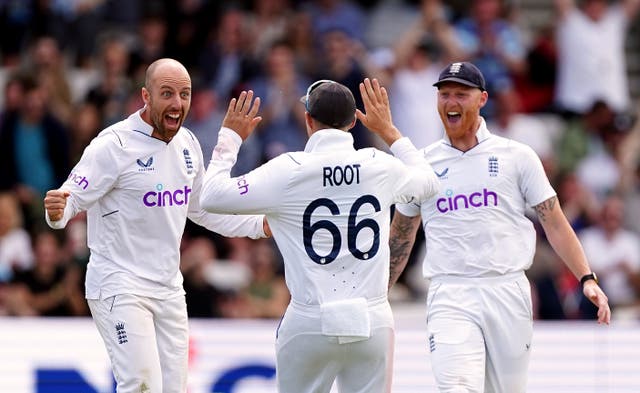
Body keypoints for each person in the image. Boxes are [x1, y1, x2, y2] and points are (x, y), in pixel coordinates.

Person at [199, 78, 440, 392]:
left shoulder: (287, 170)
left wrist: (230, 138)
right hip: (372, 318)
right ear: (353, 122)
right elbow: (430, 183)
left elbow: (211, 197)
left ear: (308, 120)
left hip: (309, 321)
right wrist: (389, 131)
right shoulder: (379, 164)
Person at [43, 58, 268, 393]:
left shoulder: (188, 144)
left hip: (168, 289)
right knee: (141, 385)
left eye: (185, 94)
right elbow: (69, 200)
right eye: (167, 93)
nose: (178, 103)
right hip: (119, 284)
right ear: (146, 96)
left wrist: (261, 225)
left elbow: (204, 210)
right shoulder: (114, 145)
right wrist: (55, 212)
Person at [387, 61, 611, 392]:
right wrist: (377, 294)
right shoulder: (423, 164)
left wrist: (586, 278)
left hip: (507, 291)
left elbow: (555, 222)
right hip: (451, 292)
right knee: (457, 387)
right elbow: (400, 235)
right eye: (445, 94)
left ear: (482, 99)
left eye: (461, 94)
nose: (451, 102)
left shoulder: (516, 156)